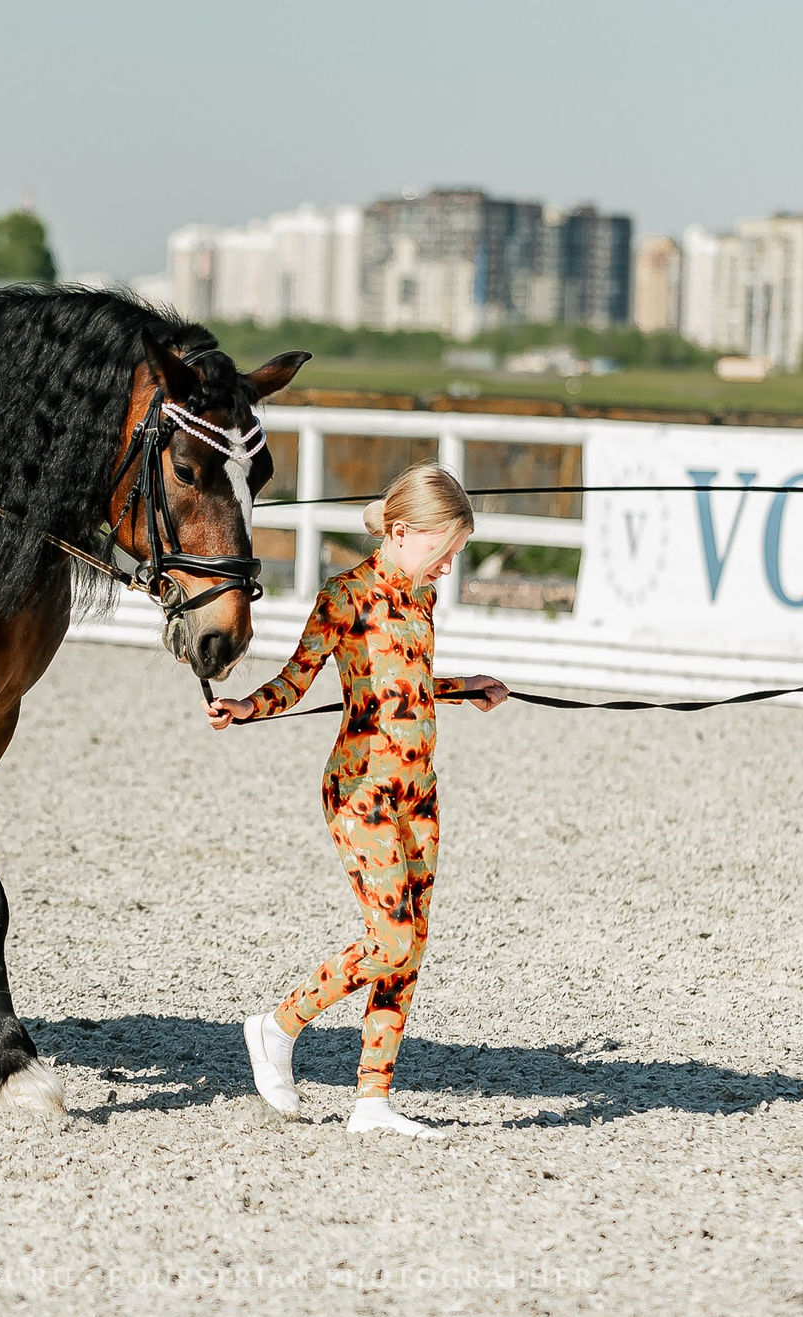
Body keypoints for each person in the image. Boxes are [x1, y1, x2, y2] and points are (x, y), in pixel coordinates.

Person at [207, 464, 508, 1138]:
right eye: (444, 550)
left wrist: (469, 686)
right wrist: (246, 708)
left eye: (456, 553)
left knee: (412, 946)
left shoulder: (420, 598)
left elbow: (413, 682)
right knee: (391, 938)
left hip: (419, 789)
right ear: (401, 532)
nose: (449, 565)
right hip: (360, 788)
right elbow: (296, 679)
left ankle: (373, 1098)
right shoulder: (345, 595)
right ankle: (277, 1026)